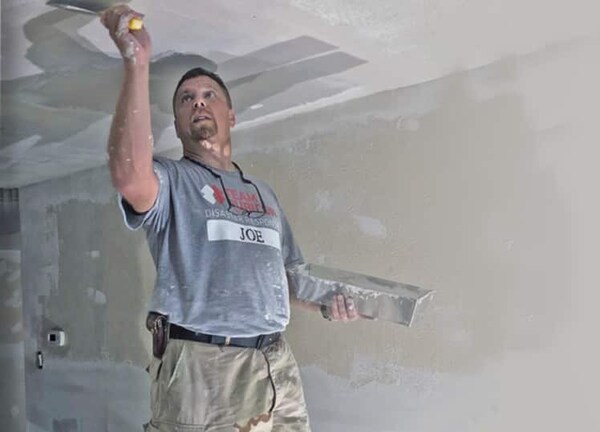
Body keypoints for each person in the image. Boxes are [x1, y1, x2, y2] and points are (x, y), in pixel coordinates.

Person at [102, 5, 358, 432]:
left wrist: (330, 304)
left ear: (231, 116)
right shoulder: (172, 181)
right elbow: (129, 176)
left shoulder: (263, 194)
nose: (198, 102)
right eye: (187, 99)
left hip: (275, 362)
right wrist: (136, 61)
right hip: (204, 367)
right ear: (180, 123)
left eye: (208, 96)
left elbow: (290, 277)